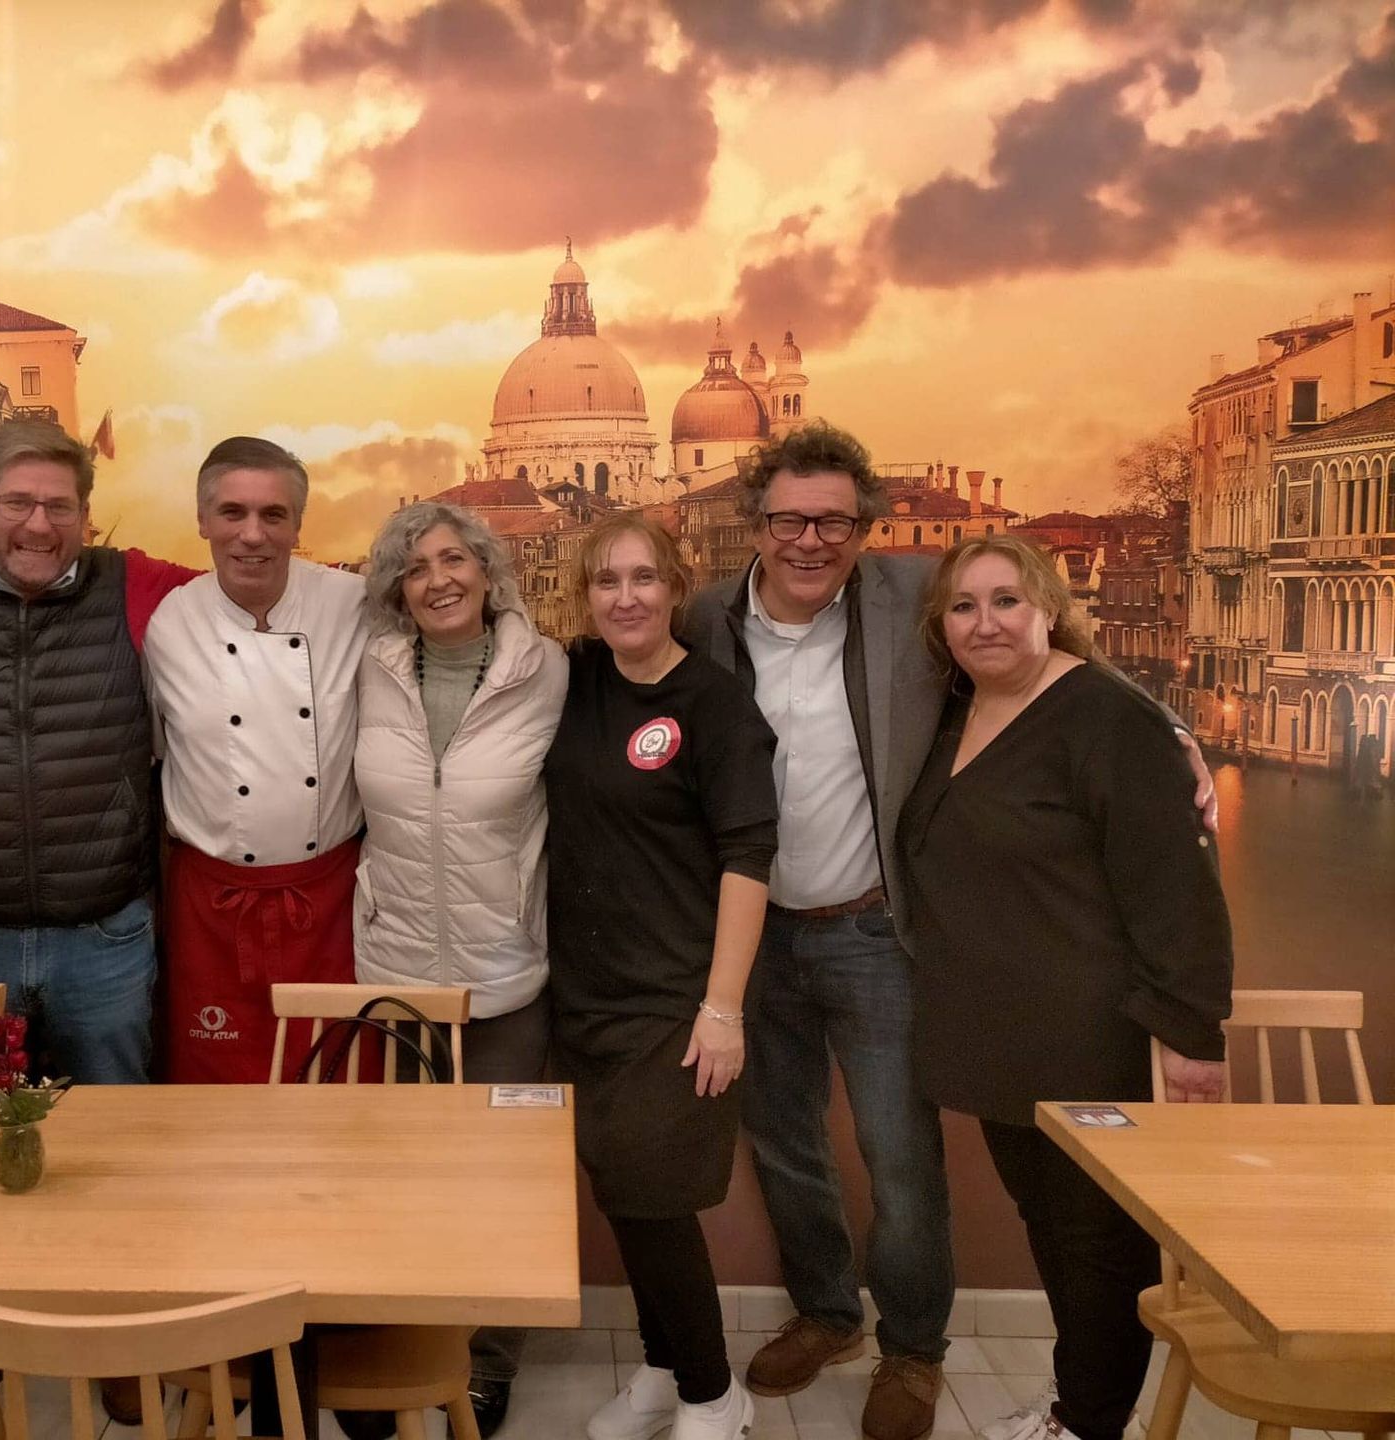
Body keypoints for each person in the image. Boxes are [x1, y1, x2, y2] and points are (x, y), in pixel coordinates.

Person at [684, 423, 1214, 1440]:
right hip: (752, 937)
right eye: (789, 519)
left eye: (835, 521)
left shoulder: (914, 597)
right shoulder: (707, 618)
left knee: (899, 1153)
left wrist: (1171, 729)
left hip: (876, 930)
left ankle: (915, 1349)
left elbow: (1040, 653)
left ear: (864, 527)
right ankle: (831, 1312)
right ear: (756, 523)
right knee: (784, 1141)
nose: (810, 541)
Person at [899, 537, 1232, 1440]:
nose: (985, 622)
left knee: (1098, 1251)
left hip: (1091, 1039)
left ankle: (1086, 1425)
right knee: (1051, 1232)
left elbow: (1175, 887)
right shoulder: (956, 713)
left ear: (1051, 609)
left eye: (1007, 600)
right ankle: (1073, 1408)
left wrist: (1192, 1035)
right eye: (963, 606)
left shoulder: (1104, 718)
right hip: (1001, 1040)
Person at [0, 419, 197, 1088]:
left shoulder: (132, 586)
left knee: (115, 1141)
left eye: (60, 506)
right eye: (18, 502)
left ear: (85, 514)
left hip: (105, 940)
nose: (39, 525)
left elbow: (250, 592)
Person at [548, 515, 776, 1440]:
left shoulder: (717, 707)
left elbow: (750, 858)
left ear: (677, 586)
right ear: (584, 597)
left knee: (653, 1194)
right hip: (586, 989)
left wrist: (723, 1008)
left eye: (644, 578)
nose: (627, 597)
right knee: (622, 1188)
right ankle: (660, 1364)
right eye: (606, 581)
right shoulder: (578, 679)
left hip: (678, 996)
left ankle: (715, 1395)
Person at [353, 500, 568, 1438]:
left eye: (453, 560)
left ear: (487, 570)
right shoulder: (370, 668)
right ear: (396, 590)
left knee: (501, 1183)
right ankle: (397, 1356)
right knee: (399, 1180)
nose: (437, 579)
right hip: (398, 973)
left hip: (507, 971)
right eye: (414, 567)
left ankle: (487, 1363)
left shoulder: (549, 670)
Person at [147, 437, 368, 1085]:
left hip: (329, 903)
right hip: (212, 910)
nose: (252, 535)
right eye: (231, 513)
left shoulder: (353, 604)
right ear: (202, 521)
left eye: (273, 515)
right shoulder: (170, 622)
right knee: (216, 1091)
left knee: (341, 1090)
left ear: (299, 525)